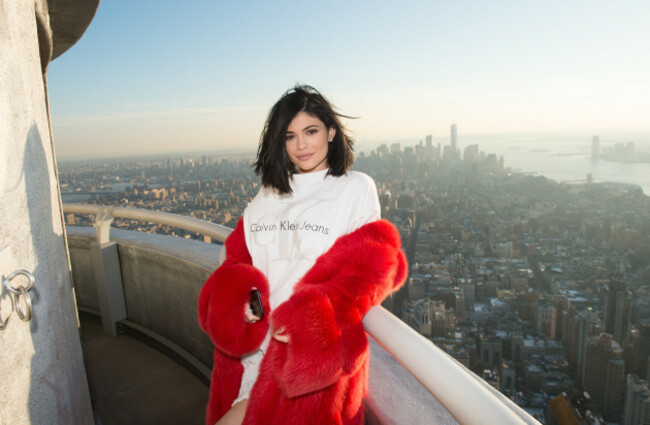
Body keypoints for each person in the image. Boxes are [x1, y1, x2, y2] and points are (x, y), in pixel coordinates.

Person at [198, 85, 407, 425]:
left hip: (310, 360)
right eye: (290, 136)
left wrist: (310, 322)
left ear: (331, 132)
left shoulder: (354, 188)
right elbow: (238, 263)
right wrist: (246, 301)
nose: (301, 145)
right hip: (257, 353)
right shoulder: (267, 195)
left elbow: (372, 269)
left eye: (310, 132)